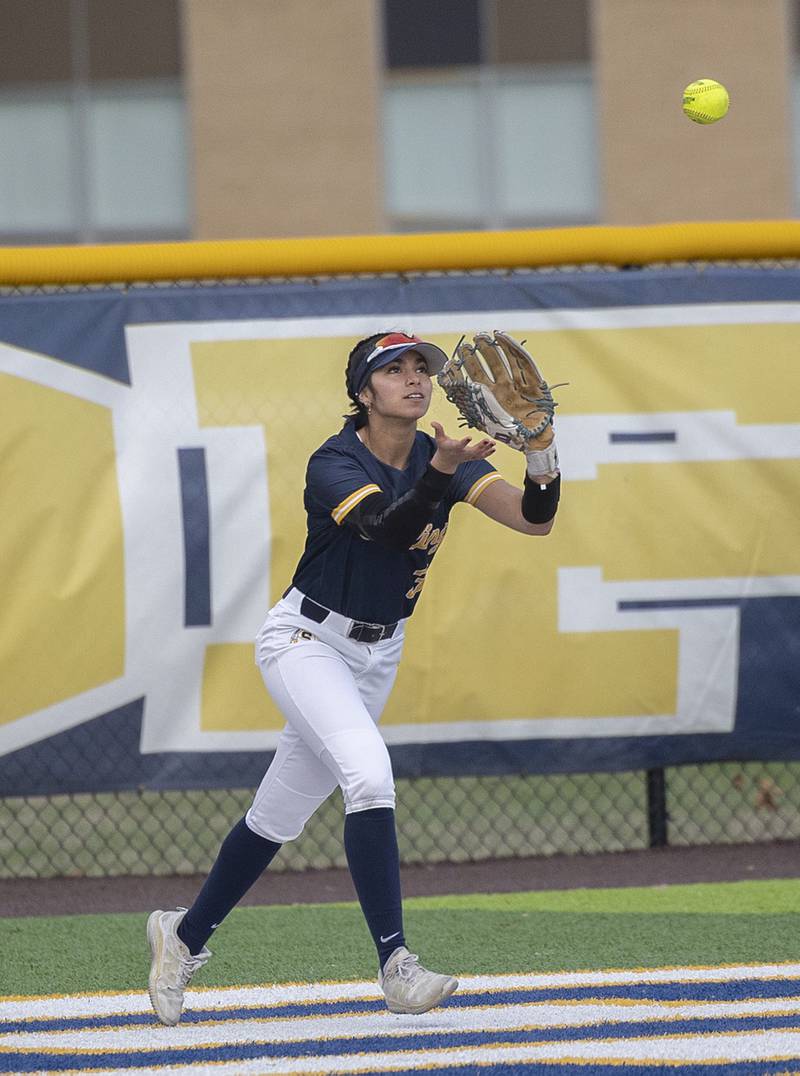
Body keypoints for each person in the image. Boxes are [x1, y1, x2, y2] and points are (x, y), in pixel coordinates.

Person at [147, 330, 561, 1026]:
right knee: (368, 775)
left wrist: (543, 449)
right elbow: (385, 527)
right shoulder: (335, 459)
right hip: (306, 641)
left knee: (277, 816)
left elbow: (533, 519)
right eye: (392, 370)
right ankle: (396, 964)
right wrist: (440, 473)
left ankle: (181, 936)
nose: (414, 379)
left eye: (420, 369)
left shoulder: (443, 458)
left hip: (378, 652)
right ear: (362, 392)